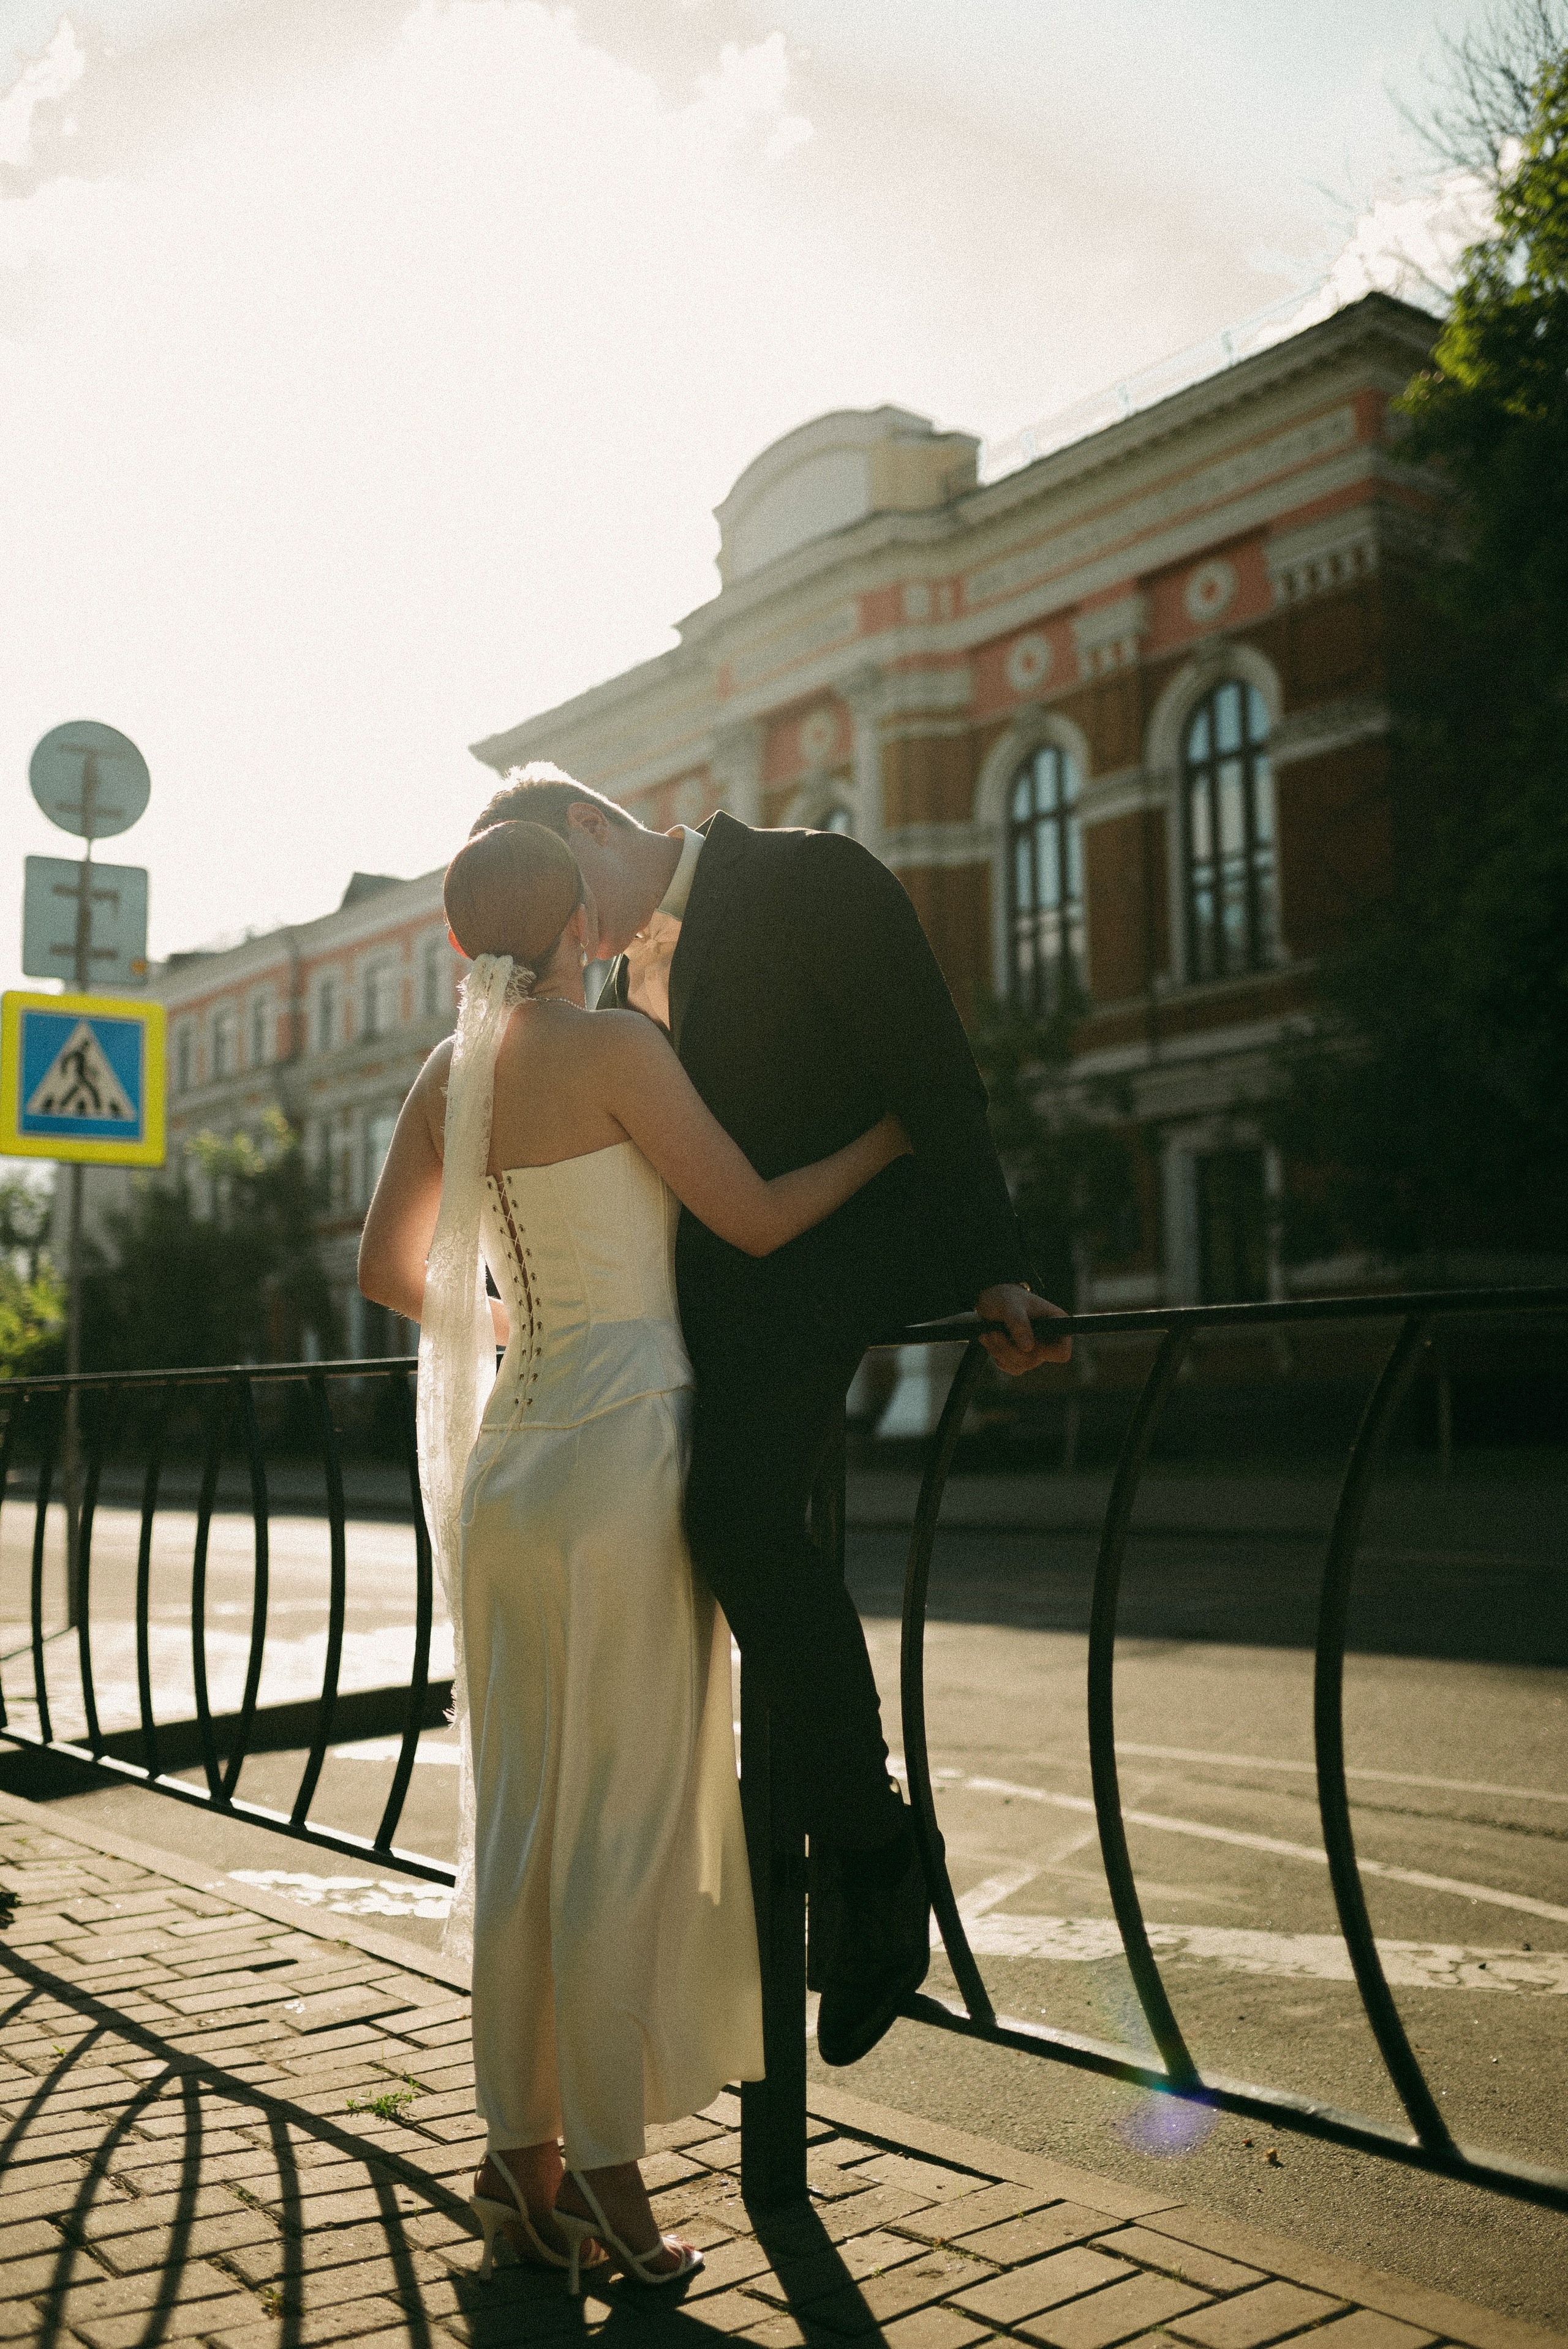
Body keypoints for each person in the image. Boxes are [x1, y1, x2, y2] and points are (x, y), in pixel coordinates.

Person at [358, 819, 912, 2290]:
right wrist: (888, 1134)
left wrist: (516, 1333)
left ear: (461, 939)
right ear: (574, 926)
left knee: (527, 1818)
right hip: (625, 1457)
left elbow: (383, 1268)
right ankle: (607, 2171)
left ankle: (518, 2159)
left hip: (511, 1465)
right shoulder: (613, 1051)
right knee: (624, 1820)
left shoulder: (449, 1071)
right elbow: (756, 1216)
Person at [465, 765, 1071, 2068]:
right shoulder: (613, 991)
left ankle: (875, 1854)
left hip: (837, 1265)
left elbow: (934, 1069)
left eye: (560, 888)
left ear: (591, 827)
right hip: (706, 1308)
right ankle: (749, 1891)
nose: (563, 929)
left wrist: (997, 1270)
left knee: (735, 1520)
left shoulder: (807, 876)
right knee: (675, 1554)